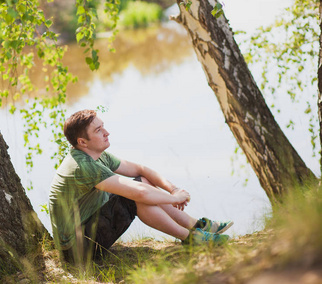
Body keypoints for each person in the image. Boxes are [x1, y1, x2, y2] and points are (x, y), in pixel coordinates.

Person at [49, 109, 233, 265]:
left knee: (141, 181)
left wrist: (173, 189)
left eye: (103, 126)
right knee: (135, 196)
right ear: (82, 142)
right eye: (98, 130)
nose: (106, 132)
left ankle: (195, 226)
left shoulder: (96, 155)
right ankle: (192, 239)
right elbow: (139, 193)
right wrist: (174, 199)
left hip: (87, 230)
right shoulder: (84, 166)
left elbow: (140, 169)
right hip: (77, 251)